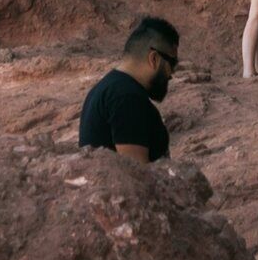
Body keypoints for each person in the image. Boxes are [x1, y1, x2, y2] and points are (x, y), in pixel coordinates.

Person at [78, 16, 182, 162]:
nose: (172, 73)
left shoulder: (109, 88)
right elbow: (136, 175)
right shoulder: (127, 98)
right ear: (154, 59)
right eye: (172, 63)